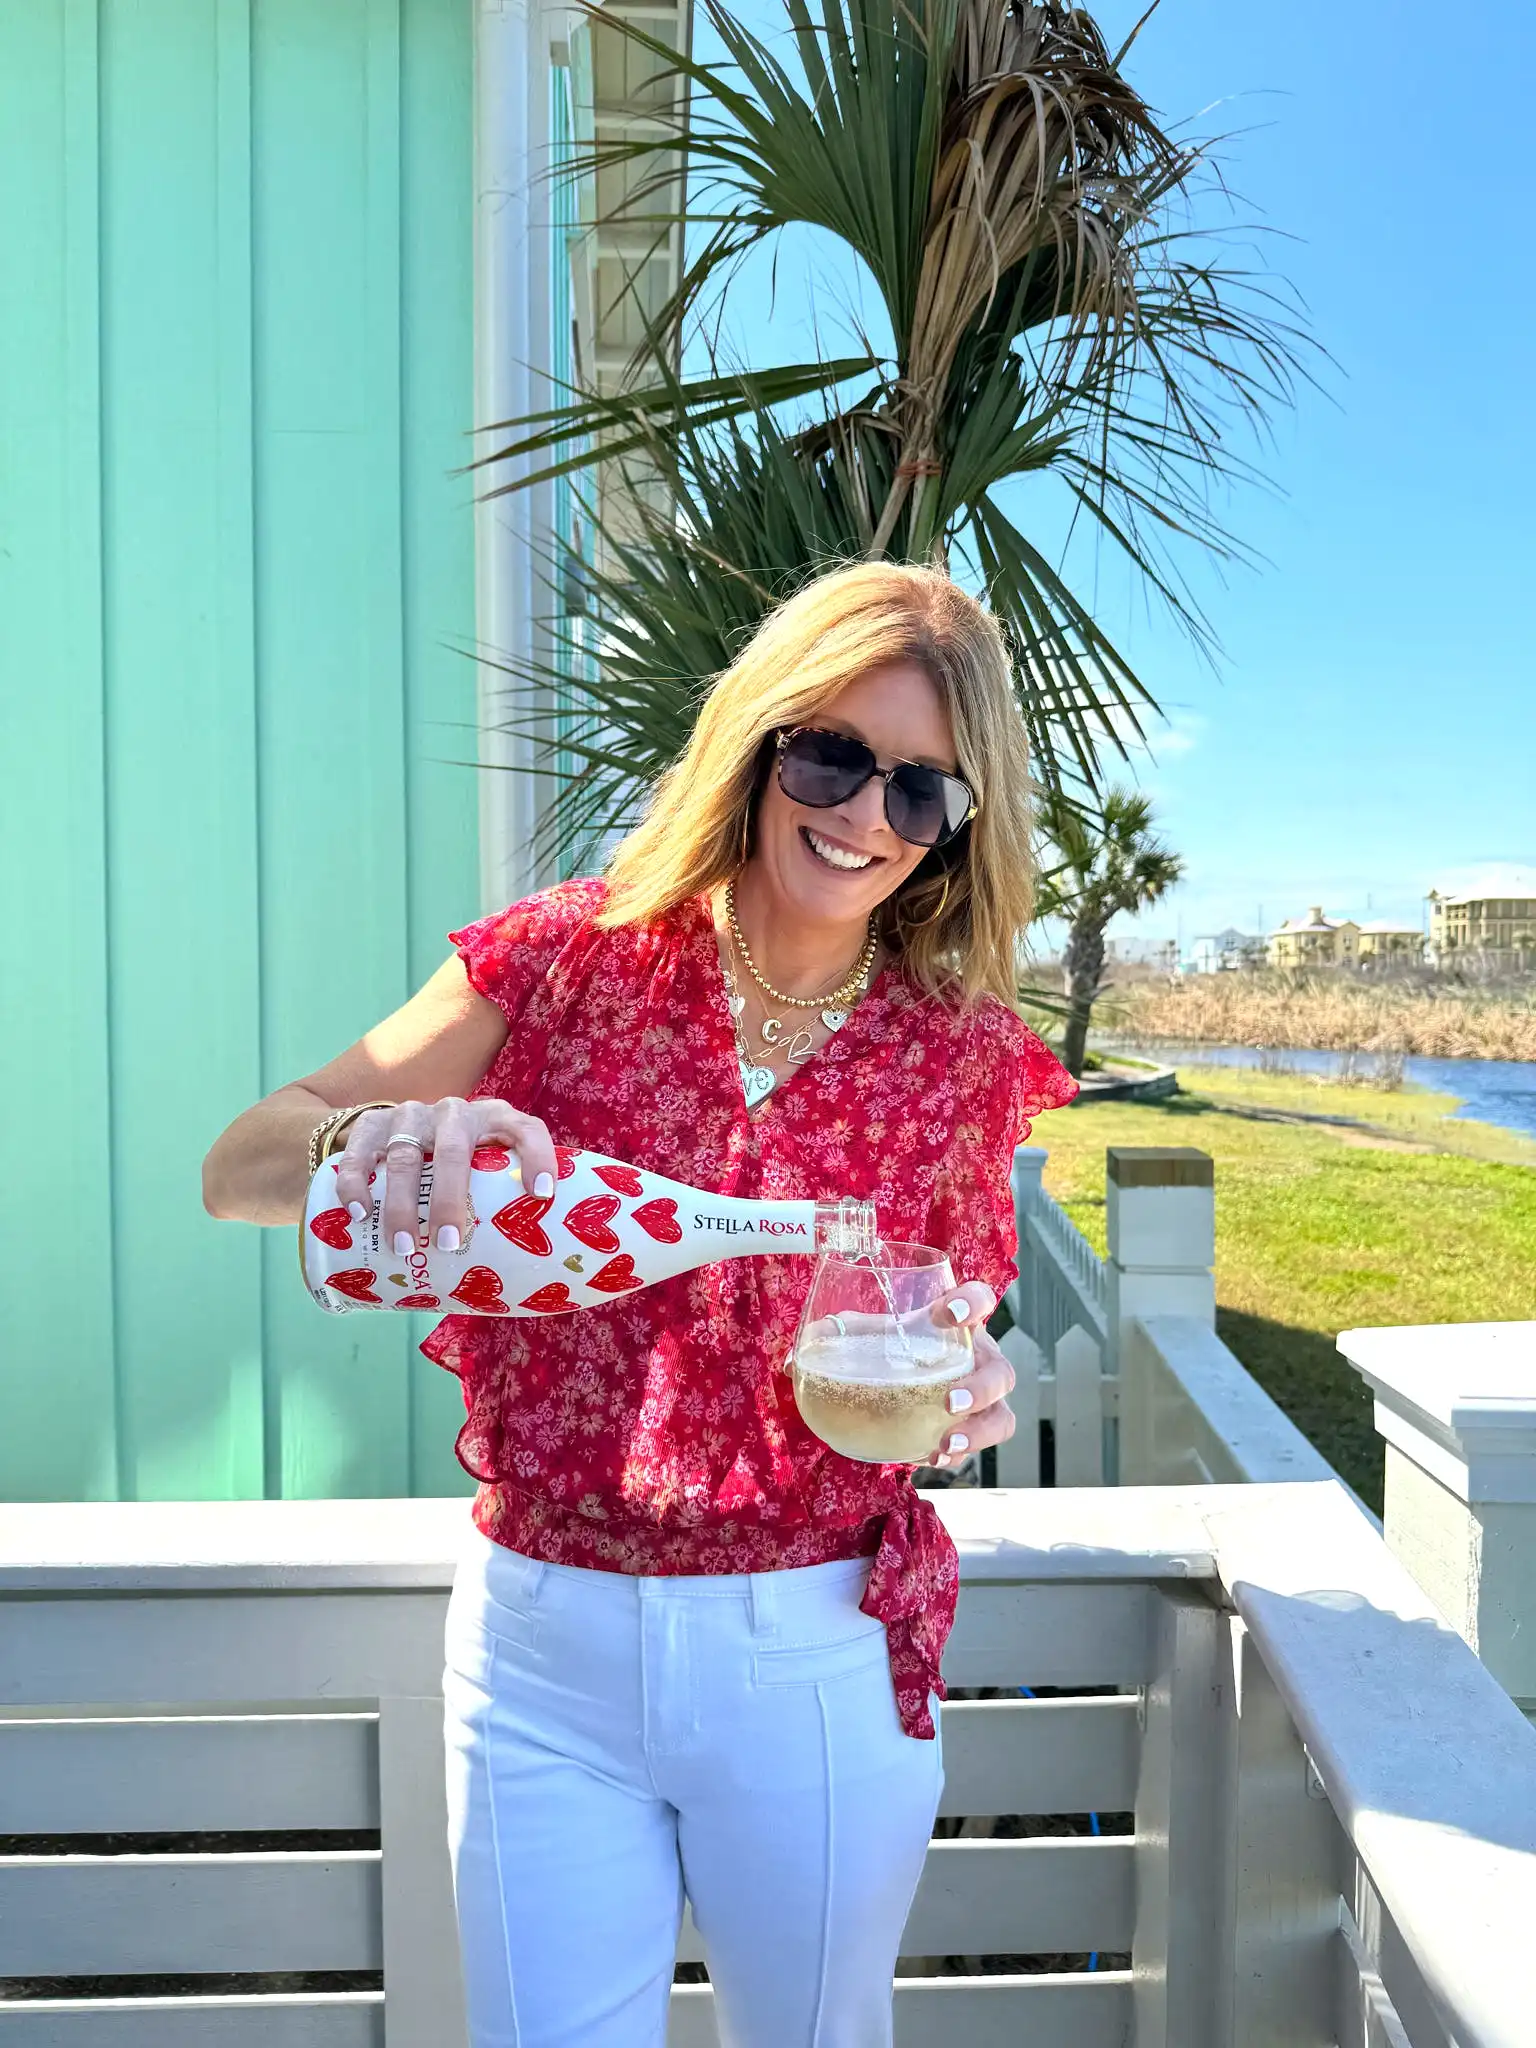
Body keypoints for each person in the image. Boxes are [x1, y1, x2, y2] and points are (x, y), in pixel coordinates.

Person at [203, 559, 1076, 2048]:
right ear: (756, 742)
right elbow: (240, 1167)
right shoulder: (560, 960)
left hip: (817, 1649)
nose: (866, 816)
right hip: (544, 1645)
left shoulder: (961, 1052)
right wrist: (372, 1148)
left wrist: (969, 1395)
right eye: (833, 755)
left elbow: (948, 1323)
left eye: (922, 791)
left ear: (957, 826)